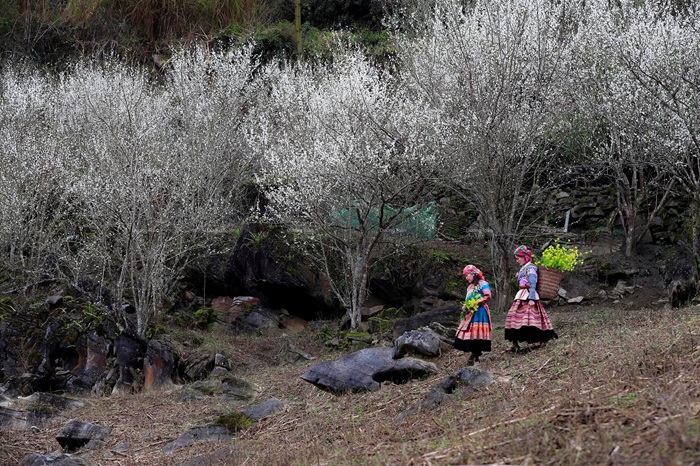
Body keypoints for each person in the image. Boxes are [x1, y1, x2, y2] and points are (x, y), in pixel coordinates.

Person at [504, 245, 558, 352]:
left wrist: (532, 298)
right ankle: (515, 344)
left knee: (531, 320)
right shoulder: (524, 268)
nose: (517, 260)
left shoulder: (531, 268)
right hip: (521, 296)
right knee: (514, 318)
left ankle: (542, 340)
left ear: (525, 256)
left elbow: (533, 283)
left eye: (518, 257)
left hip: (528, 295)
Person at [454, 265, 492, 364]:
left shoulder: (483, 284)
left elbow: (487, 296)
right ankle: (474, 353)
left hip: (480, 312)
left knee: (477, 335)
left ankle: (477, 355)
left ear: (473, 274)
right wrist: (465, 306)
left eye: (467, 275)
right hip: (470, 313)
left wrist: (476, 303)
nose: (466, 278)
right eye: (465, 276)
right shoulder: (470, 287)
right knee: (469, 334)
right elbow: (467, 300)